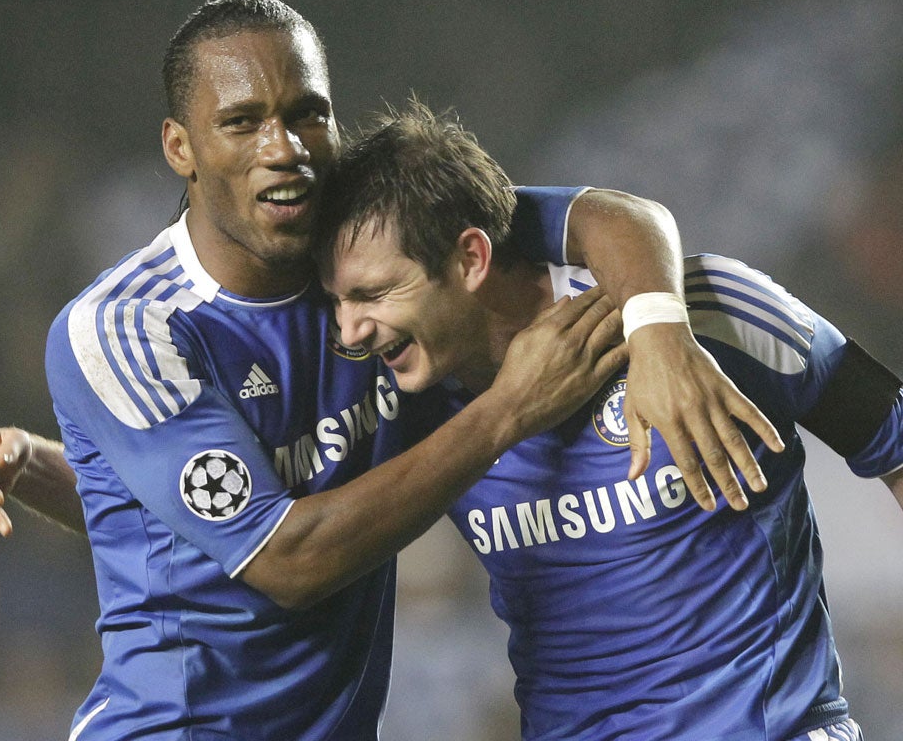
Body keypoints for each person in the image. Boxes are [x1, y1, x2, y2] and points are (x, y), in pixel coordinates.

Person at [0, 0, 786, 741]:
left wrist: (662, 333)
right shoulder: (128, 329)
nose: (284, 147)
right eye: (242, 122)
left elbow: (610, 214)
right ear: (181, 146)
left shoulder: (374, 265)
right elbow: (281, 560)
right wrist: (508, 411)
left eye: (308, 113)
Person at [309, 101, 903, 740]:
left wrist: (657, 329)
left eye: (372, 294)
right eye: (338, 300)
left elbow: (892, 440)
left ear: (471, 260)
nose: (350, 329)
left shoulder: (713, 315)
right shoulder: (410, 406)